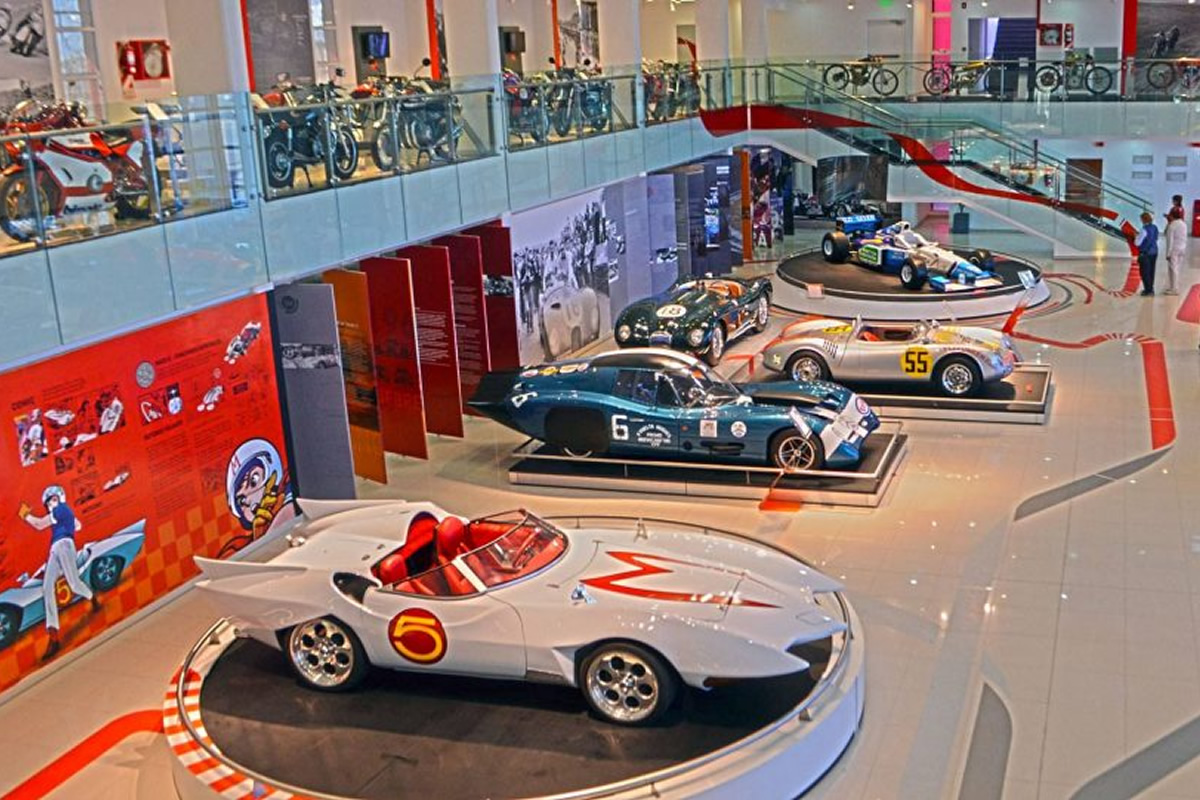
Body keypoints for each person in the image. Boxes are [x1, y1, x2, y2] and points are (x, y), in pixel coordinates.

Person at [20, 485, 99, 660]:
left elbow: (40, 524)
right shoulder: (63, 513)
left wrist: (25, 515)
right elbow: (78, 525)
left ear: (60, 498)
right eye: (49, 502)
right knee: (47, 588)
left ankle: (92, 597)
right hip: (55, 548)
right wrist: (69, 523)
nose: (51, 504)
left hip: (64, 544)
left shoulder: (61, 509)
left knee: (74, 583)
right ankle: (54, 637)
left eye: (53, 499)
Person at [1164, 207, 1188, 296]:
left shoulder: (1172, 225)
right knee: (1176, 269)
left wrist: (1168, 253)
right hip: (1182, 248)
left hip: (1174, 249)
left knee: (1172, 269)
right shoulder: (1183, 224)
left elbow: (1169, 241)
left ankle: (1174, 289)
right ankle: (1173, 287)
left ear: (1172, 215)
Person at [1135, 211, 1159, 296]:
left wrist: (1136, 237)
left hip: (1145, 253)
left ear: (1143, 220)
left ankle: (1148, 290)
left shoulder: (1143, 230)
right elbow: (1156, 238)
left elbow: (1137, 243)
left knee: (1144, 272)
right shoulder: (1155, 227)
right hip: (1154, 251)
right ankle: (1151, 288)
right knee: (1151, 271)